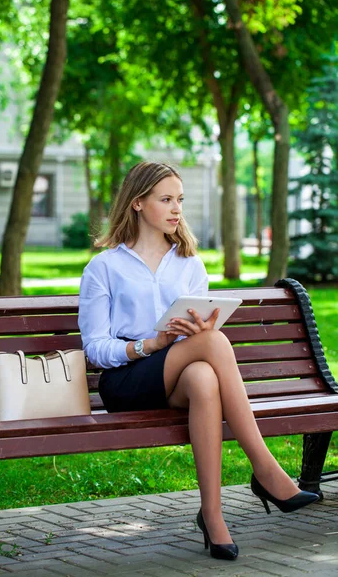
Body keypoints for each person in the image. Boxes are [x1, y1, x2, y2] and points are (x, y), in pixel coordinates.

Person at [78, 161, 319, 561]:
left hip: (181, 377)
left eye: (181, 200)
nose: (177, 209)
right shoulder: (104, 267)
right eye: (166, 199)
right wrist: (151, 344)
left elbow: (199, 331)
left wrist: (189, 334)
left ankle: (212, 515)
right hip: (126, 381)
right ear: (137, 203)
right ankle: (265, 469)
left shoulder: (189, 263)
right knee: (214, 342)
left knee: (206, 377)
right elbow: (96, 348)